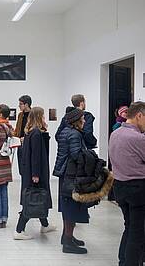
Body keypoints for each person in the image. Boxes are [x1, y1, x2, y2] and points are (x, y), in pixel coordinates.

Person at [109, 101, 145, 266]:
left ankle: (122, 261)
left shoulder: (115, 133)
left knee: (129, 227)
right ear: (139, 115)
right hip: (137, 189)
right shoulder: (138, 138)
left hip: (119, 186)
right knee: (138, 233)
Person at [14, 107, 56, 240]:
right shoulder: (36, 133)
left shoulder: (30, 132)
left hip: (30, 171)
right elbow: (35, 156)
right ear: (39, 117)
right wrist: (36, 174)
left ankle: (45, 224)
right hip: (36, 172)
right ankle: (19, 230)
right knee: (33, 199)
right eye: (43, 116)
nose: (44, 118)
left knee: (38, 197)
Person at [53, 108, 89, 254]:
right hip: (71, 175)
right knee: (71, 207)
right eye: (83, 118)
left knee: (67, 207)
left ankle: (67, 236)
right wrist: (89, 156)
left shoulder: (65, 132)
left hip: (65, 174)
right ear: (77, 121)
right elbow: (76, 155)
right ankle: (68, 241)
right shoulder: (74, 134)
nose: (85, 121)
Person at [15, 95, 32, 176]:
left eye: (21, 104)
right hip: (20, 144)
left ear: (26, 104)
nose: (19, 105)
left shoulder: (33, 115)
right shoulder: (20, 115)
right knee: (21, 168)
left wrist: (26, 138)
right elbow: (18, 128)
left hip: (29, 144)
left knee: (28, 167)